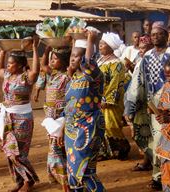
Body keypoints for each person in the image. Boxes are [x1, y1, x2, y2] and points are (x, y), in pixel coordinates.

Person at [123, 21, 170, 190]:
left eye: (159, 34)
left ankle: (162, 177)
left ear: (167, 36)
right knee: (156, 141)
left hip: (169, 106)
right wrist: (131, 105)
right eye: (153, 34)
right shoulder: (148, 57)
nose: (156, 37)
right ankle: (159, 176)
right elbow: (138, 81)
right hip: (155, 108)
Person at [0, 38, 40, 192]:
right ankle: (19, 181)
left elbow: (36, 71)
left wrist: (35, 49)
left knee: (19, 153)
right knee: (9, 152)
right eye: (8, 63)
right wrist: (3, 49)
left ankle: (29, 181)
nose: (8, 65)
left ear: (20, 65)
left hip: (23, 119)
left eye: (11, 63)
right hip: (8, 117)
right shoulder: (7, 75)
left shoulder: (27, 77)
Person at [64, 31, 105, 191]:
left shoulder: (94, 77)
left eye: (77, 56)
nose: (73, 59)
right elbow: (68, 107)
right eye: (72, 56)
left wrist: (90, 39)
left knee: (83, 171)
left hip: (89, 128)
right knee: (73, 171)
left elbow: (88, 63)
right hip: (71, 130)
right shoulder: (73, 79)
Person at [34, 46, 71, 192]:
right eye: (51, 59)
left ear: (63, 62)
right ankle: (66, 181)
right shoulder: (52, 75)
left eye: (55, 59)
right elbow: (43, 66)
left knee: (57, 149)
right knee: (58, 148)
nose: (52, 61)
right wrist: (47, 49)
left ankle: (65, 183)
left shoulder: (66, 76)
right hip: (50, 118)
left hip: (62, 117)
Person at [97, 32, 131, 160]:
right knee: (100, 125)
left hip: (111, 101)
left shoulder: (117, 63)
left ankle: (124, 146)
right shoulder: (100, 61)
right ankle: (105, 151)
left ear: (111, 47)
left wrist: (107, 100)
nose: (100, 46)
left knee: (111, 125)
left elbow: (116, 83)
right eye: (99, 43)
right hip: (98, 99)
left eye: (103, 44)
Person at [124, 35, 154, 171]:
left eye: (144, 48)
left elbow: (138, 87)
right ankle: (149, 161)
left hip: (147, 104)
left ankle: (153, 164)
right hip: (141, 104)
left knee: (144, 134)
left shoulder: (149, 61)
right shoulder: (141, 60)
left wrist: (129, 108)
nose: (141, 51)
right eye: (140, 48)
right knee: (145, 134)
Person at [155, 59, 170, 192]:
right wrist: (159, 114)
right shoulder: (167, 86)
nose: (169, 78)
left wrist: (169, 117)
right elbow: (162, 105)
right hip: (167, 137)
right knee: (166, 169)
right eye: (167, 75)